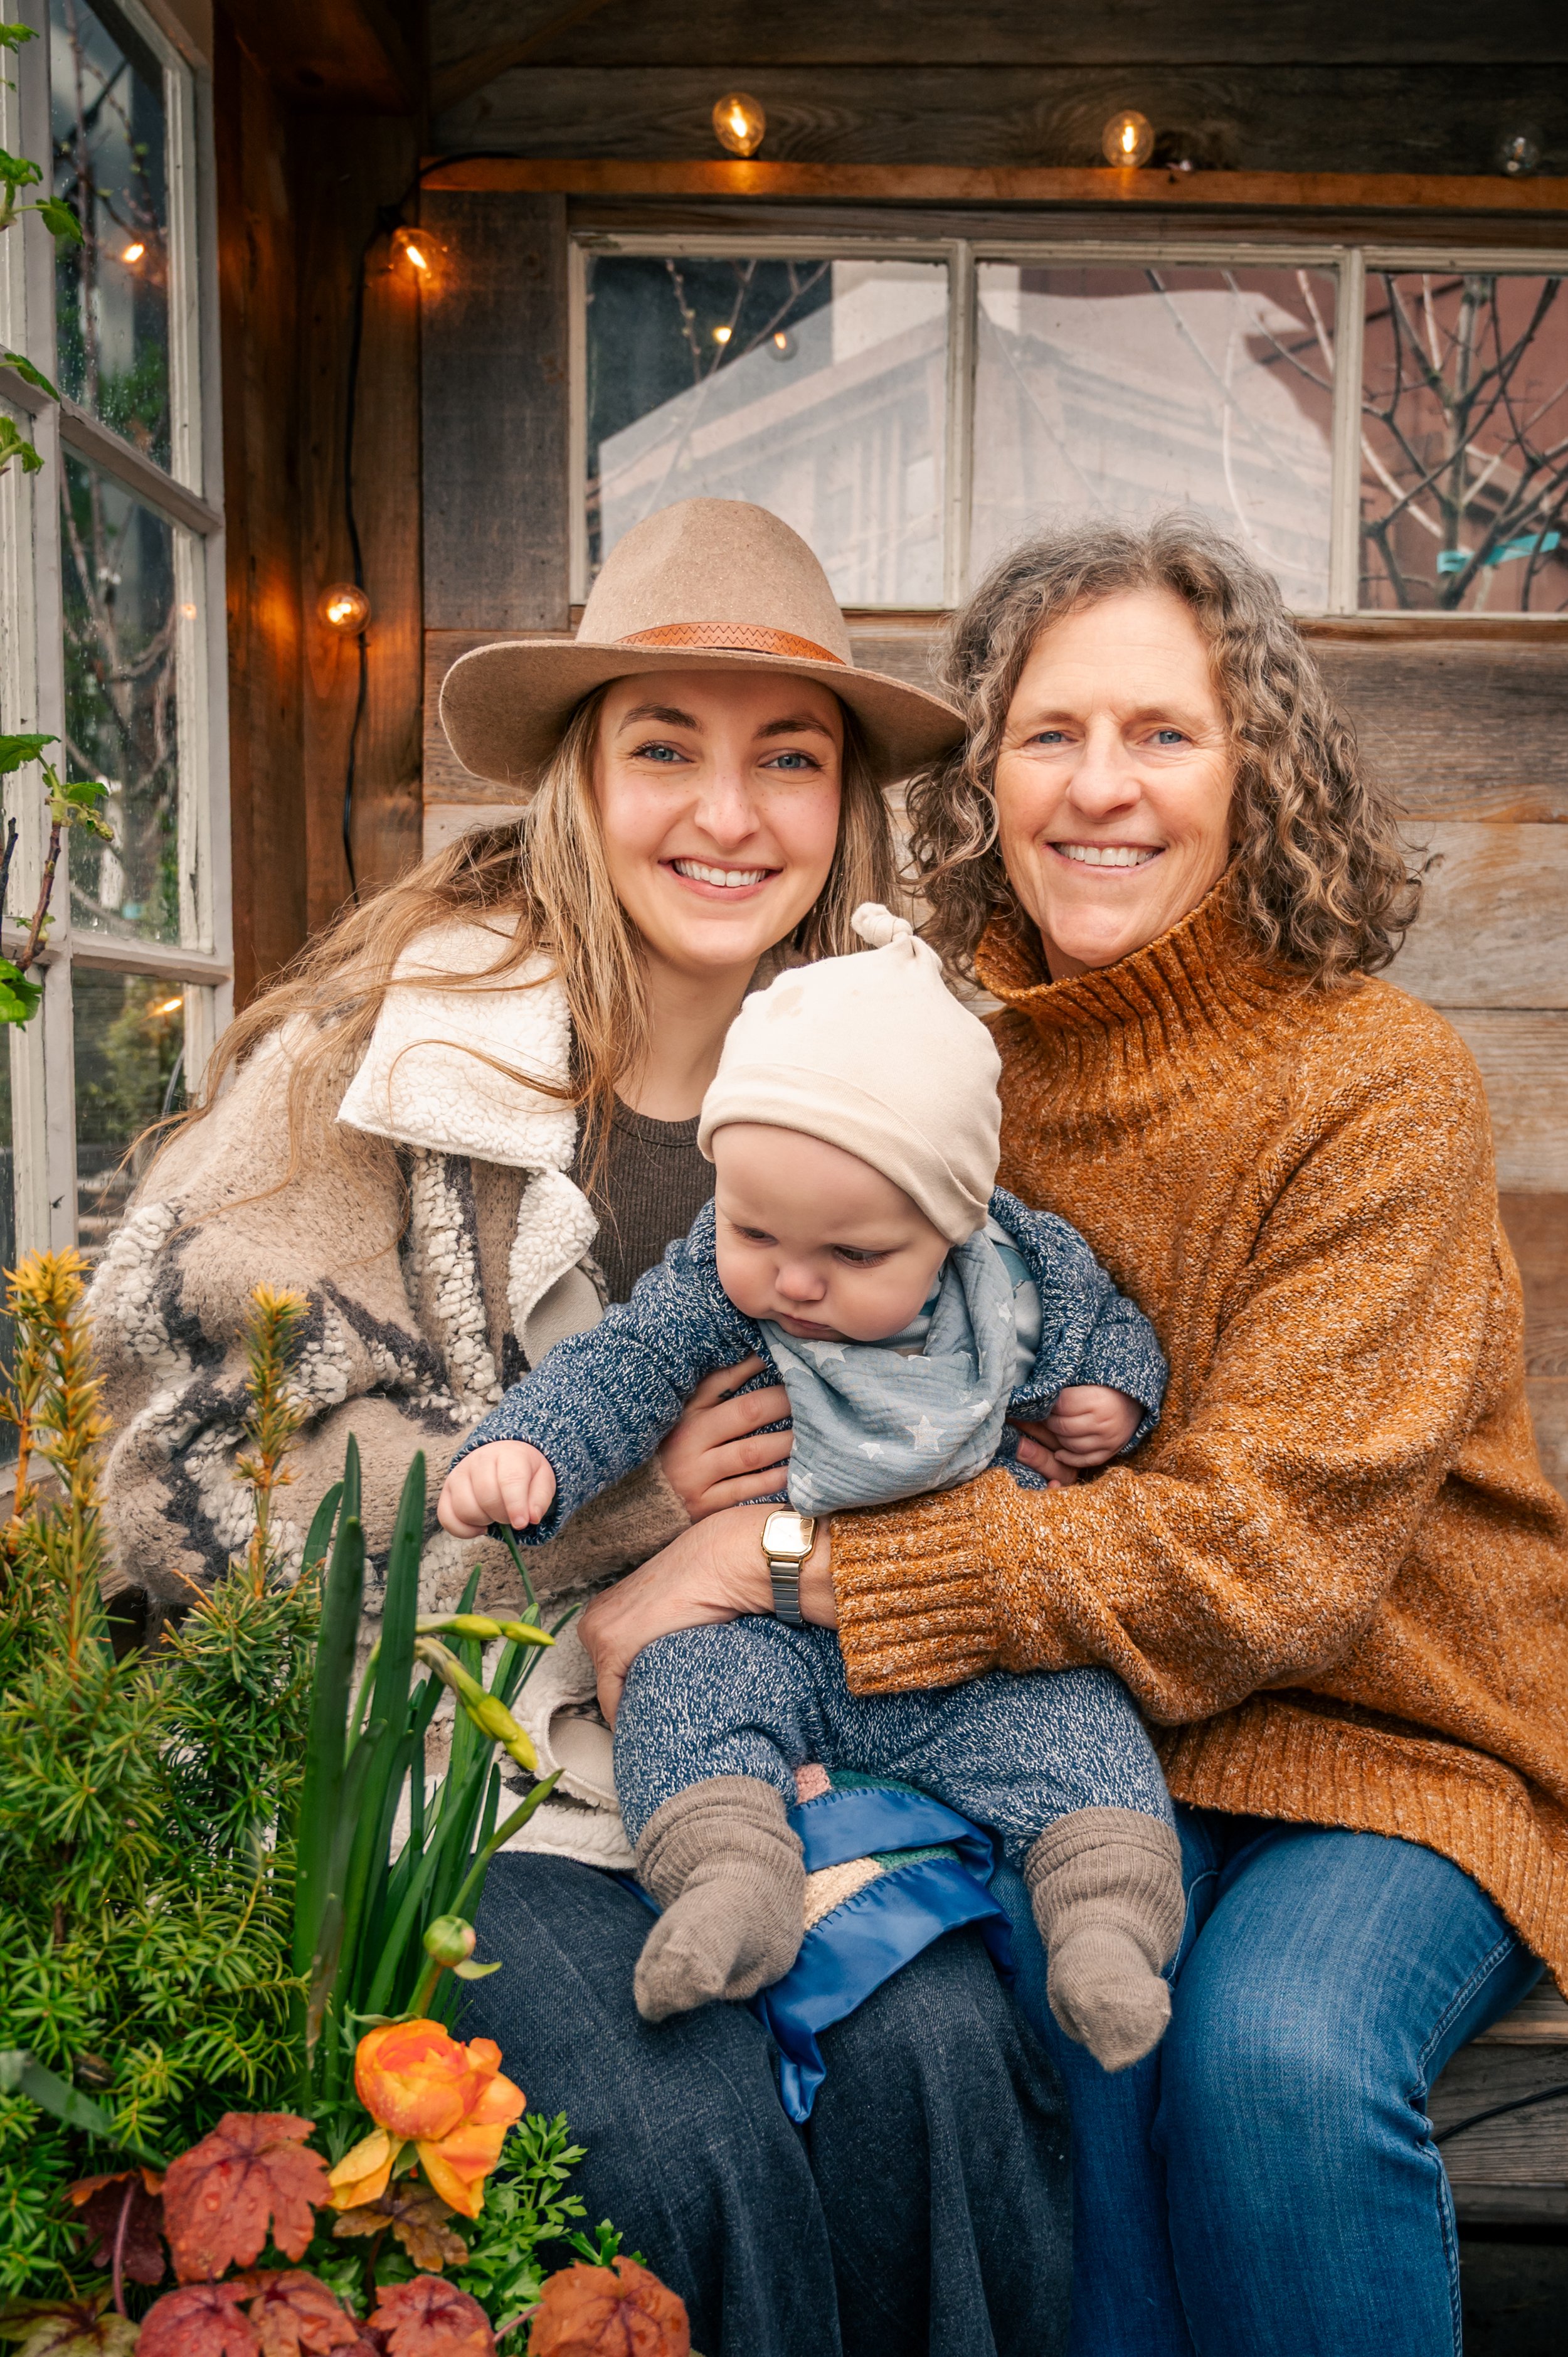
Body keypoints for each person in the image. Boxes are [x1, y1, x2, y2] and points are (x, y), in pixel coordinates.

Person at [568, 514, 1568, 2357]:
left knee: (1267, 2049)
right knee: (1046, 1993)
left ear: (1252, 764)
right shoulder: (937, 1060)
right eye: (1048, 734)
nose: (1100, 787)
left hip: (1395, 1728)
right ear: (984, 775)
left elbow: (1261, 1560)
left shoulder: (1373, 1076)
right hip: (1081, 1720)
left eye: (1162, 733)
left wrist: (786, 1566)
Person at [90, 498, 1071, 2357]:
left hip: (771, 1717)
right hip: (453, 1752)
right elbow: (194, 1486)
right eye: (662, 748)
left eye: (786, 758)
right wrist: (617, 1516)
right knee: (664, 2121)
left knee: (939, 2062)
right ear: (574, 775)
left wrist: (786, 1562)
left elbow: (994, 1413)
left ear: (845, 802)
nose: (727, 814)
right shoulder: (394, 1065)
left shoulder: (896, 1074)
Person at [440, 900, 1179, 2065]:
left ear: (955, 1221)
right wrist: (530, 1447)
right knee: (683, 1696)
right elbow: (622, 1363)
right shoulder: (717, 1277)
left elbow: (1111, 1334)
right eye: (755, 1231)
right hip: (760, 1629)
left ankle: (1104, 1931)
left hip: (969, 1650)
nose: (792, 1281)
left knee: (1084, 1738)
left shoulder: (1026, 1276)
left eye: (852, 1255)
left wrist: (1116, 1398)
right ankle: (732, 1883)